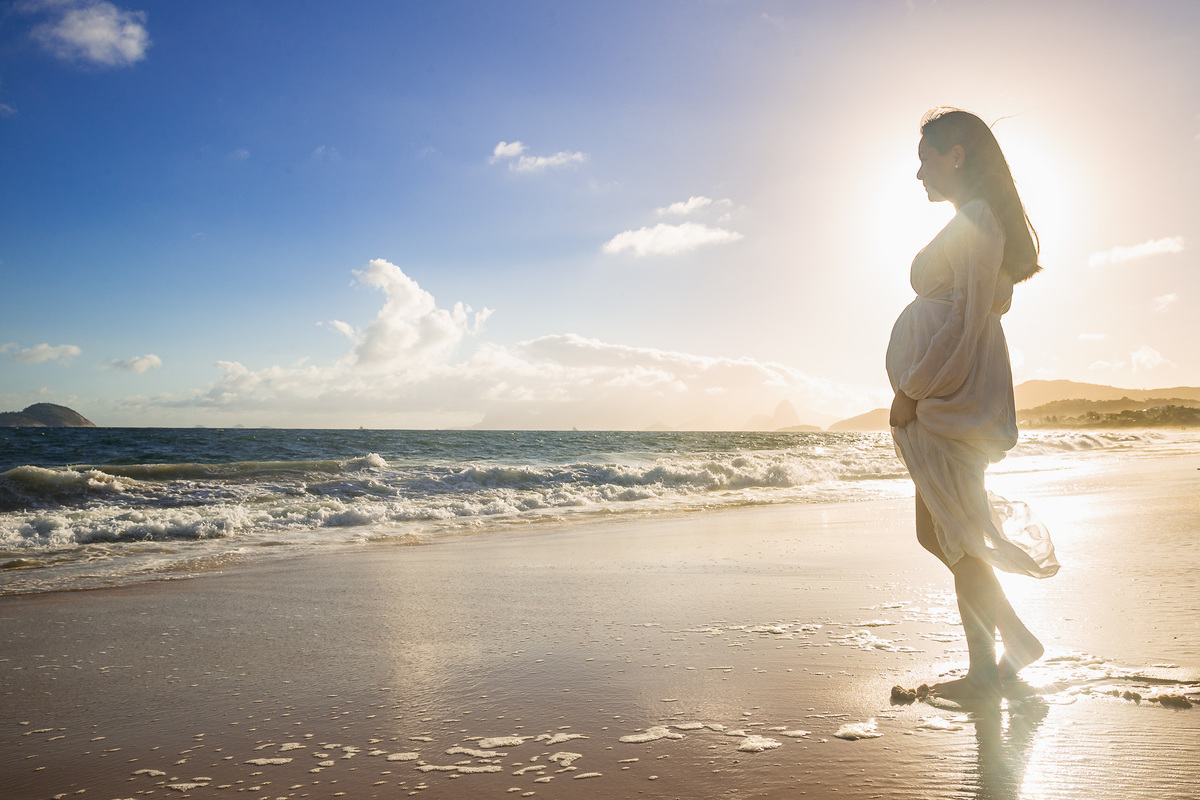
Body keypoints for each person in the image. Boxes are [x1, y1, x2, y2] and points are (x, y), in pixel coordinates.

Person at [886, 108, 1059, 701]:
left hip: (949, 404)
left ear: (956, 156)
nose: (919, 174)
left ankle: (993, 663)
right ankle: (1003, 650)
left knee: (949, 535)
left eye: (925, 159)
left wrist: (913, 390)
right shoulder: (973, 221)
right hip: (948, 402)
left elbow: (962, 327)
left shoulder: (979, 222)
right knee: (941, 534)